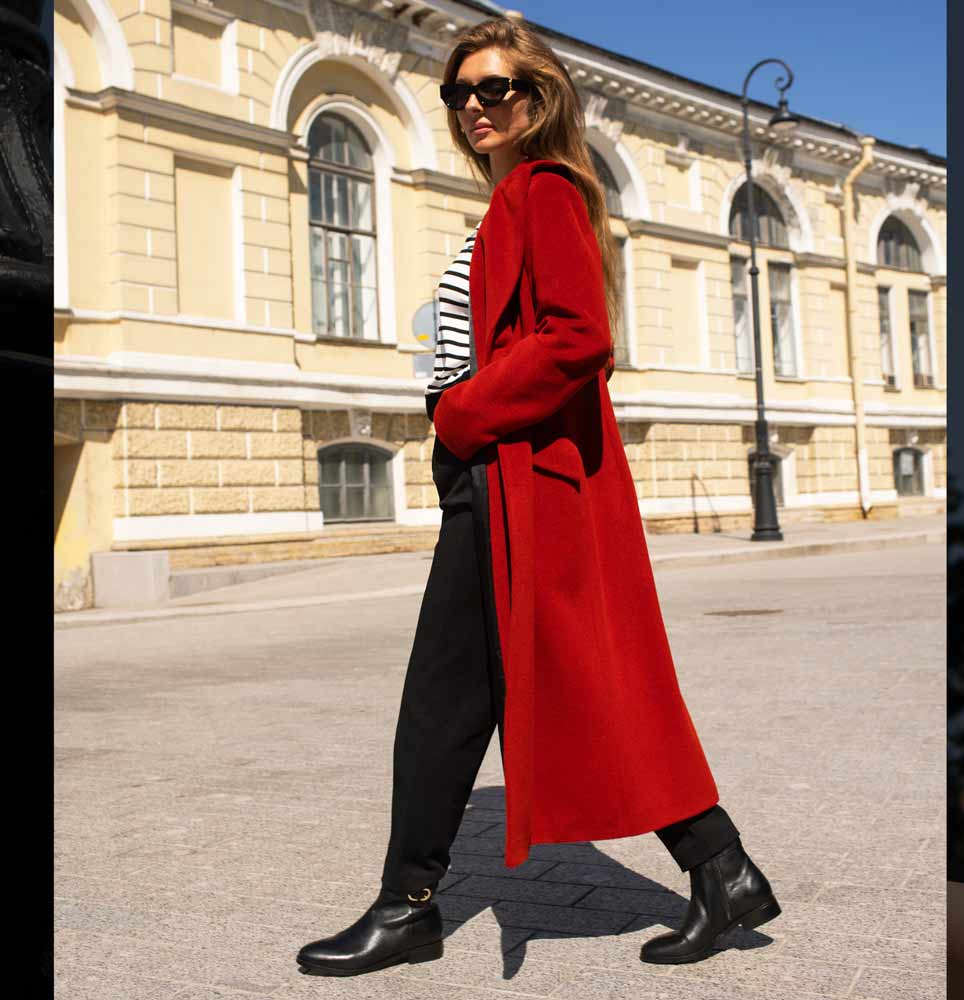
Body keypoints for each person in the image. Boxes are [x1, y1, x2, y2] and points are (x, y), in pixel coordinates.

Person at [296, 15, 780, 977]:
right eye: (460, 92)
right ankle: (719, 868)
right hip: (496, 480)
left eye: (498, 88)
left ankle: (408, 907)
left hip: (512, 480)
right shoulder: (509, 202)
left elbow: (576, 338)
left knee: (443, 701)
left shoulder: (545, 188)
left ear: (540, 97)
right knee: (534, 690)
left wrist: (460, 417)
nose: (477, 105)